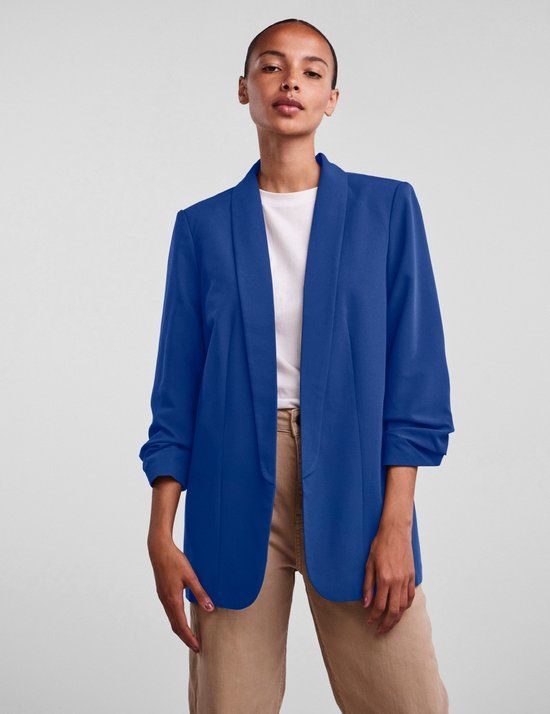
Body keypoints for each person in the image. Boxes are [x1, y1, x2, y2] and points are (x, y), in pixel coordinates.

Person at [139, 18, 454, 714]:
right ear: (244, 89)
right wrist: (161, 532)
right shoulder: (201, 228)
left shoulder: (386, 209)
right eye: (272, 66)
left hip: (356, 481)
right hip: (229, 484)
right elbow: (176, 392)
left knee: (409, 702)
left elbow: (417, 381)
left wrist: (396, 524)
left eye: (312, 72)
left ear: (331, 98)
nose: (291, 82)